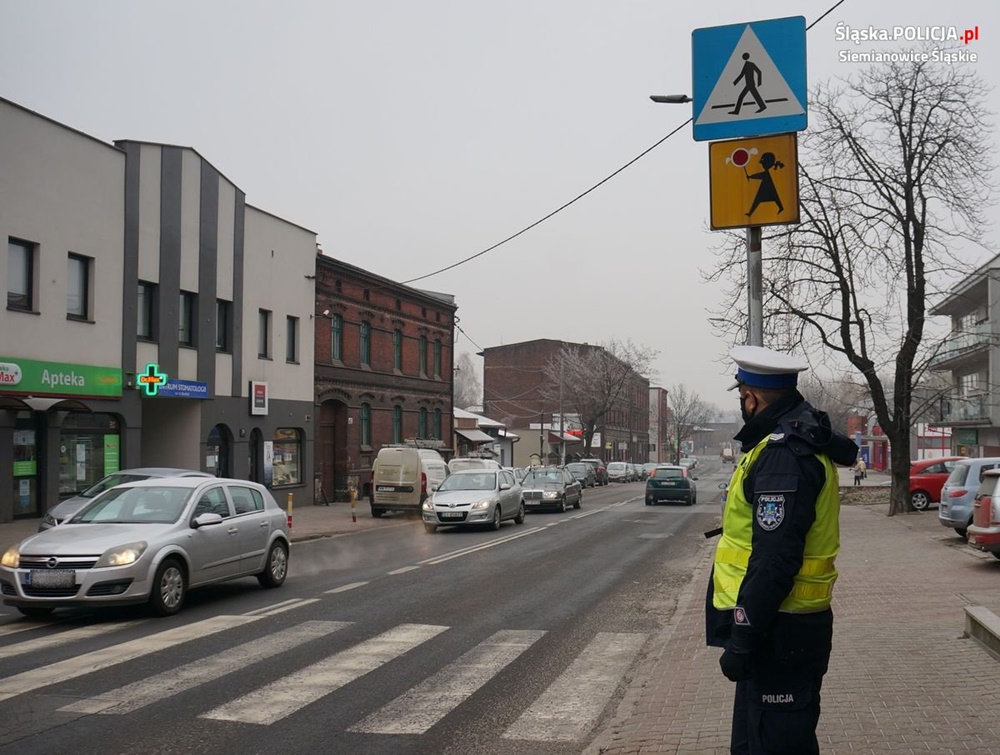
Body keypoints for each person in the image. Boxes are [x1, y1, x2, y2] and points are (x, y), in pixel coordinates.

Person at [707, 345, 858, 755]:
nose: (743, 405)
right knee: (757, 740)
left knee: (776, 743)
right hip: (780, 628)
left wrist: (742, 638)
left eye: (742, 398)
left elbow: (774, 560)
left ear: (751, 397)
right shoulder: (793, 438)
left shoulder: (781, 456)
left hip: (779, 630)